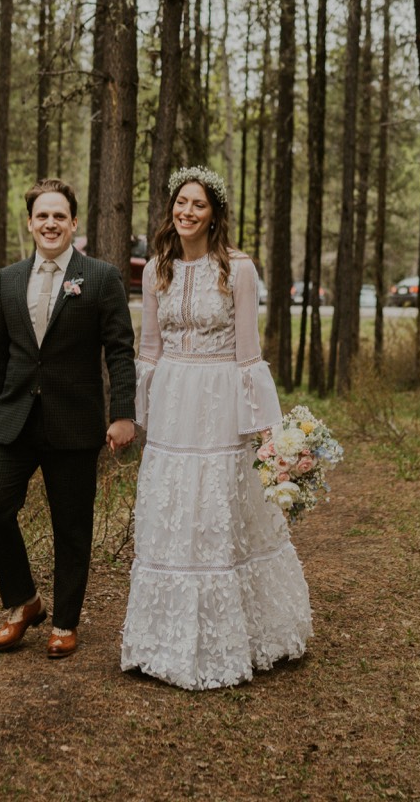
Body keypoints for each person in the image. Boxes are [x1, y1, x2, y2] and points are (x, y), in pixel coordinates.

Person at [120, 166, 312, 689]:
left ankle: (239, 637)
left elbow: (248, 354)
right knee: (174, 508)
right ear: (171, 209)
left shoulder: (239, 269)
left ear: (214, 214)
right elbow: (150, 349)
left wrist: (268, 432)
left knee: (218, 511)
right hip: (173, 402)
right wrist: (139, 416)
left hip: (220, 398)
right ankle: (163, 639)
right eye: (181, 202)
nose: (187, 212)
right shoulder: (157, 267)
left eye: (198, 205)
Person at [0, 178, 137, 660]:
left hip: (73, 422)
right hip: (13, 419)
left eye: (59, 216)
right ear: (30, 223)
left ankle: (65, 622)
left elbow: (121, 353)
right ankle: (24, 602)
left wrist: (123, 414)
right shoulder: (7, 279)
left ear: (73, 223)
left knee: (72, 526)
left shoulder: (102, 277)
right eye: (42, 216)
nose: (50, 223)